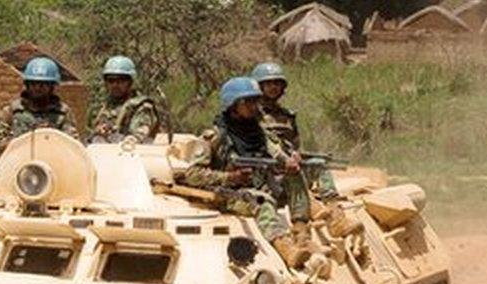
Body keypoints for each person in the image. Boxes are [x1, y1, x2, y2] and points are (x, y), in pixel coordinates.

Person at [182, 77, 312, 269]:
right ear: (233, 105)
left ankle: (301, 232)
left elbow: (276, 152)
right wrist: (229, 177)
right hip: (230, 193)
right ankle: (285, 248)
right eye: (248, 102)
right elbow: (192, 174)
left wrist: (287, 163)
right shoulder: (216, 136)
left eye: (256, 101)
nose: (254, 106)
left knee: (295, 175)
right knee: (260, 201)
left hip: (261, 184)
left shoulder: (258, 132)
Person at [252, 62, 362, 238]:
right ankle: (300, 228)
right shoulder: (251, 115)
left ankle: (336, 216)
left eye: (277, 83)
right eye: (268, 83)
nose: (273, 87)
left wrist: (296, 154)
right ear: (259, 86)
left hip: (290, 166)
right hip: (267, 169)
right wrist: (282, 159)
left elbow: (294, 143)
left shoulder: (287, 116)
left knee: (319, 165)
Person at [0, 56, 80, 158]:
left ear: (51, 86)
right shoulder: (12, 111)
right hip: (17, 165)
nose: (37, 88)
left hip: (52, 165)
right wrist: (22, 144)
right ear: (27, 84)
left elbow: (72, 146)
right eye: (33, 83)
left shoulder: (62, 113)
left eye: (43, 84)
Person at [88, 56, 160, 144]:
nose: (115, 85)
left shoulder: (142, 107)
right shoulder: (102, 106)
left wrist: (117, 138)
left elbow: (138, 136)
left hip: (133, 153)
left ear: (130, 82)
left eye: (121, 80)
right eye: (111, 80)